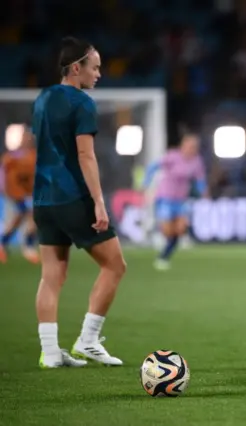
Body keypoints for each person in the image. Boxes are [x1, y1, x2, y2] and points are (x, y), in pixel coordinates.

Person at [32, 36, 126, 368]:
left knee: (52, 274)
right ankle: (88, 340)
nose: (99, 74)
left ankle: (51, 353)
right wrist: (98, 202)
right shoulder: (82, 102)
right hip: (72, 195)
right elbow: (85, 155)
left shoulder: (42, 99)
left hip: (42, 197)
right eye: (95, 67)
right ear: (77, 68)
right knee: (115, 265)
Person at [142, 133, 206, 270]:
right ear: (183, 145)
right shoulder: (172, 156)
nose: (192, 149)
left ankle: (164, 257)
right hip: (165, 197)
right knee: (168, 230)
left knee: (180, 229)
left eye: (195, 147)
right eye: (190, 146)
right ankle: (156, 235)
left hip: (180, 200)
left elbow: (200, 178)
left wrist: (203, 191)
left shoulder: (196, 161)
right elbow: (153, 166)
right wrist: (146, 182)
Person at [0, 125, 39, 264]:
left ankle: (4, 243)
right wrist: (5, 189)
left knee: (22, 218)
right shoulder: (11, 157)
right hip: (15, 193)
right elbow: (4, 175)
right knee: (27, 215)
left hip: (29, 193)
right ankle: (28, 246)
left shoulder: (34, 155)